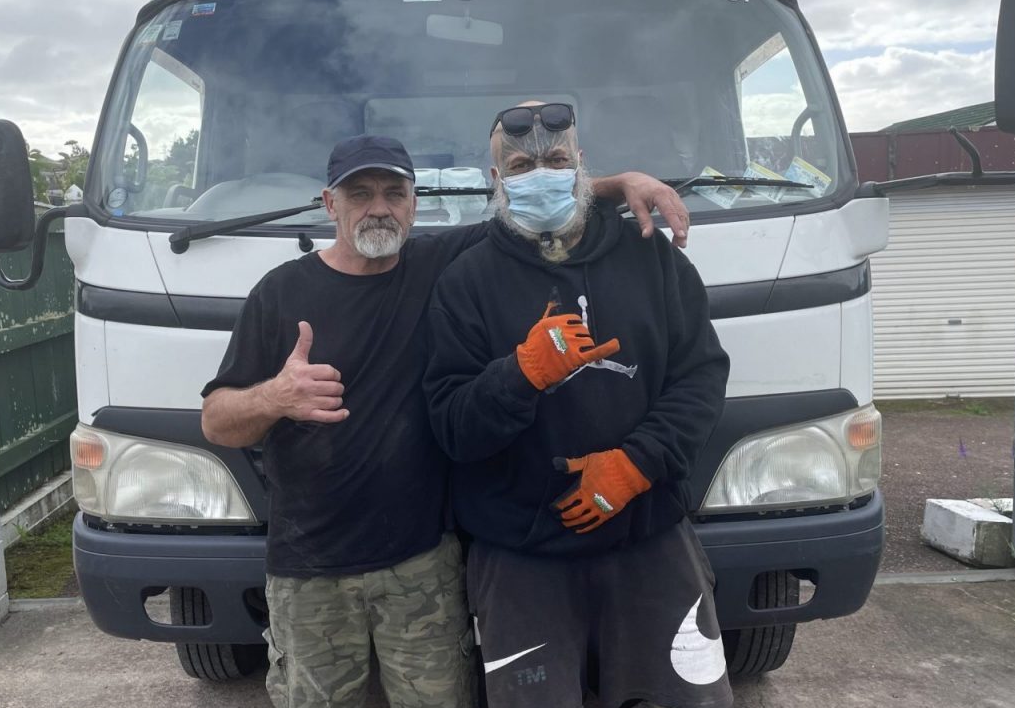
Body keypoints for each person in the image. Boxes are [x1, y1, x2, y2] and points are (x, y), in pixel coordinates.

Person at [199, 132, 692, 708]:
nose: (378, 207)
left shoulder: (440, 263)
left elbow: (537, 200)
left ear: (414, 203)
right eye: (359, 194)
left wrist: (622, 182)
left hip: (422, 566)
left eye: (393, 192)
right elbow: (215, 422)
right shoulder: (280, 292)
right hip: (310, 569)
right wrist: (274, 397)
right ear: (330, 204)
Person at [422, 102, 733, 708]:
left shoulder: (653, 258)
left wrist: (638, 464)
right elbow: (452, 428)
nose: (540, 172)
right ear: (496, 181)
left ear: (582, 166)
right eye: (519, 164)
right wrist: (520, 375)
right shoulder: (466, 281)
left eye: (556, 159)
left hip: (649, 538)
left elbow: (701, 377)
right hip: (520, 554)